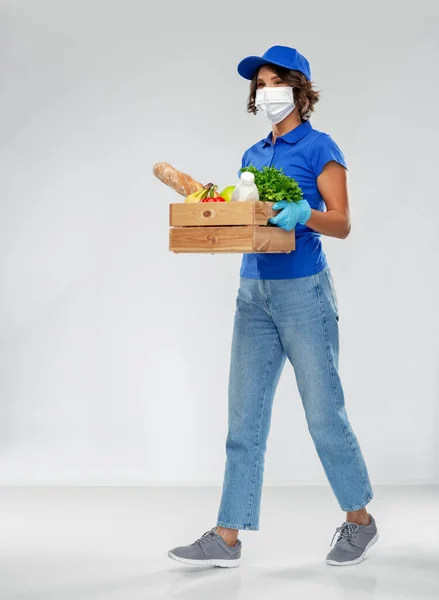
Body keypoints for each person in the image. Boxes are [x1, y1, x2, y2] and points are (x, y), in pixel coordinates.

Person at [168, 45, 379, 568]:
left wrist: (306, 213)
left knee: (323, 414)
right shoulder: (252, 155)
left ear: (299, 88)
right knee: (244, 420)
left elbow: (343, 222)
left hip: (304, 293)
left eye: (274, 81)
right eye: (259, 84)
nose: (265, 90)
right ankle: (227, 535)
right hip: (253, 295)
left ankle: (361, 522)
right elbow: (254, 226)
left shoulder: (319, 147)